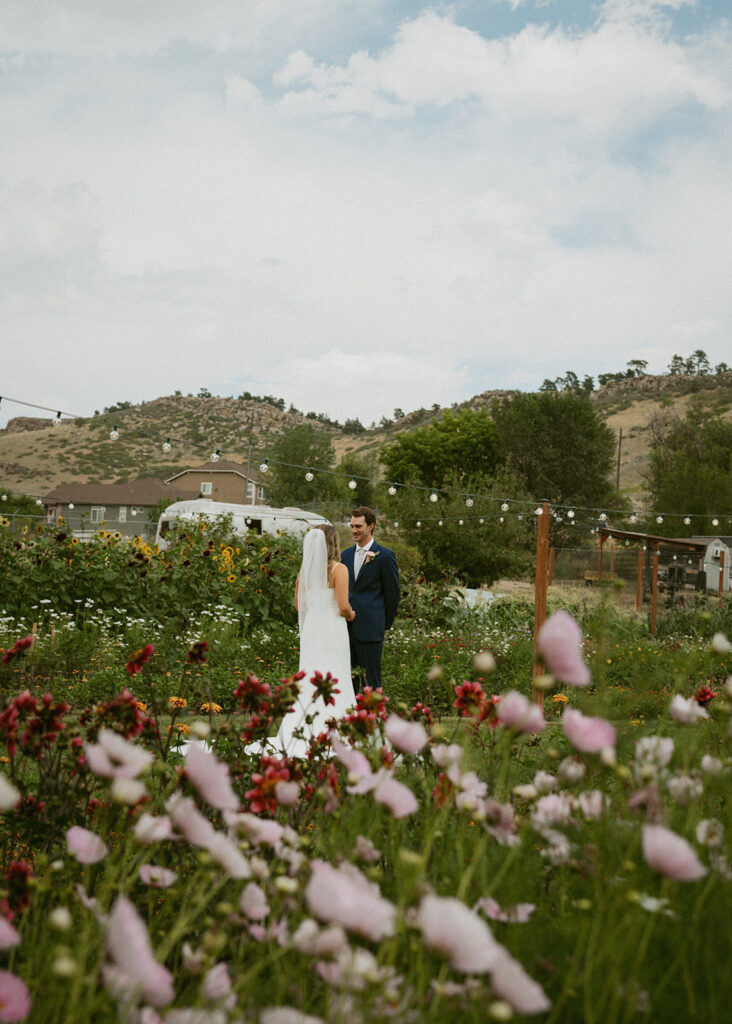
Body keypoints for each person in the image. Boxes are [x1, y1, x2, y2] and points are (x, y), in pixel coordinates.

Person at [273, 524, 356, 758]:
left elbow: (300, 606)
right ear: (334, 543)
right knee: (335, 674)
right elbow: (342, 606)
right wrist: (351, 615)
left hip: (312, 630)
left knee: (310, 675)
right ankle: (338, 728)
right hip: (332, 630)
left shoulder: (305, 572)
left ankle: (304, 726)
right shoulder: (339, 570)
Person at [341, 506, 400, 692]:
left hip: (371, 628)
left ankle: (373, 718)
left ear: (371, 526)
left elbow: (393, 595)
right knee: (349, 680)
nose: (354, 530)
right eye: (352, 526)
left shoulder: (385, 556)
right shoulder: (345, 555)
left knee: (371, 681)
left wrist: (383, 624)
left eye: (358, 526)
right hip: (346, 628)